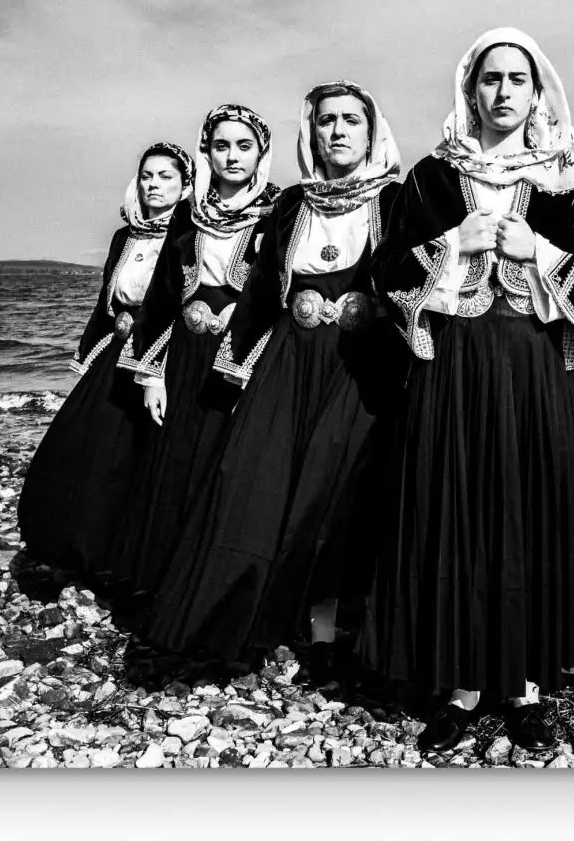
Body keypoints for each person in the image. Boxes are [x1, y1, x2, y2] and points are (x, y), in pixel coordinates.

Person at [363, 28, 574, 753]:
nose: (503, 92)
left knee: (531, 509)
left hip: (535, 366)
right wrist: (458, 246)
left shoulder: (566, 179)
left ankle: (525, 685)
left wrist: (535, 250)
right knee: (459, 508)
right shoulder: (432, 178)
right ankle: (461, 682)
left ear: (538, 92)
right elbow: (387, 273)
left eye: (518, 79)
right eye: (490, 79)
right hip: (456, 367)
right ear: (468, 89)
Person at [142, 82, 407, 675]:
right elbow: (262, 294)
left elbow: (418, 279)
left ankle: (330, 625)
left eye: (350, 121)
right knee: (254, 480)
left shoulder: (395, 199)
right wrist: (233, 370)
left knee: (334, 488)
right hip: (291, 358)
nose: (337, 131)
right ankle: (243, 615)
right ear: (310, 133)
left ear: (371, 131)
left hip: (358, 364)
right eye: (325, 121)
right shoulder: (291, 205)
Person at [109, 104, 282, 601]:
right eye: (221, 145)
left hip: (242, 358)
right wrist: (151, 372)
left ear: (261, 154)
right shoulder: (188, 214)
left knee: (228, 466)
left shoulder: (278, 211)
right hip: (185, 356)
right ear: (206, 150)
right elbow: (163, 294)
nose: (232, 156)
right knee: (176, 462)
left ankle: (215, 583)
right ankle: (164, 578)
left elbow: (277, 294)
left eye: (244, 146)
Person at [18, 143, 192, 581]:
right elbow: (108, 304)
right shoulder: (125, 234)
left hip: (163, 355)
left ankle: (130, 559)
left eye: (166, 177)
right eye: (148, 176)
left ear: (186, 185)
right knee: (81, 447)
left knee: (136, 458)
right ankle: (77, 546)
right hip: (116, 356)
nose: (154, 185)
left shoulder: (189, 235)